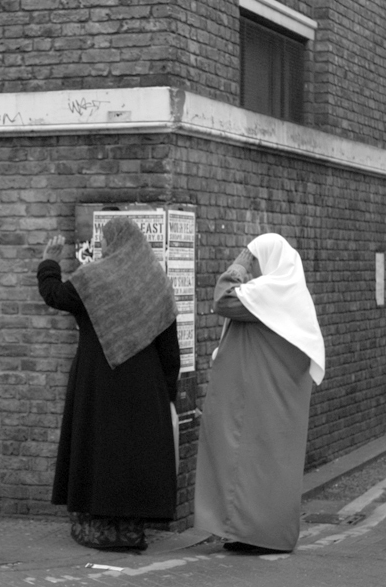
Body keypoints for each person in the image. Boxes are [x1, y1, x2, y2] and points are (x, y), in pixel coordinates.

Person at [37, 216, 180, 552]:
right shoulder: (155, 281)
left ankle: (99, 525)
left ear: (111, 243)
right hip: (146, 384)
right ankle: (132, 530)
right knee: (135, 454)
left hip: (98, 380)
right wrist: (167, 394)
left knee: (100, 450)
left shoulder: (93, 278)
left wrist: (49, 263)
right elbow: (169, 347)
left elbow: (55, 295)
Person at [194, 232, 325, 554]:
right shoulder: (292, 295)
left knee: (249, 463)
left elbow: (223, 299)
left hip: (257, 398)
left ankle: (258, 535)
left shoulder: (269, 294)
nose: (252, 268)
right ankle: (255, 533)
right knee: (271, 466)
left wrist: (238, 264)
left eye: (255, 260)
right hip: (279, 402)